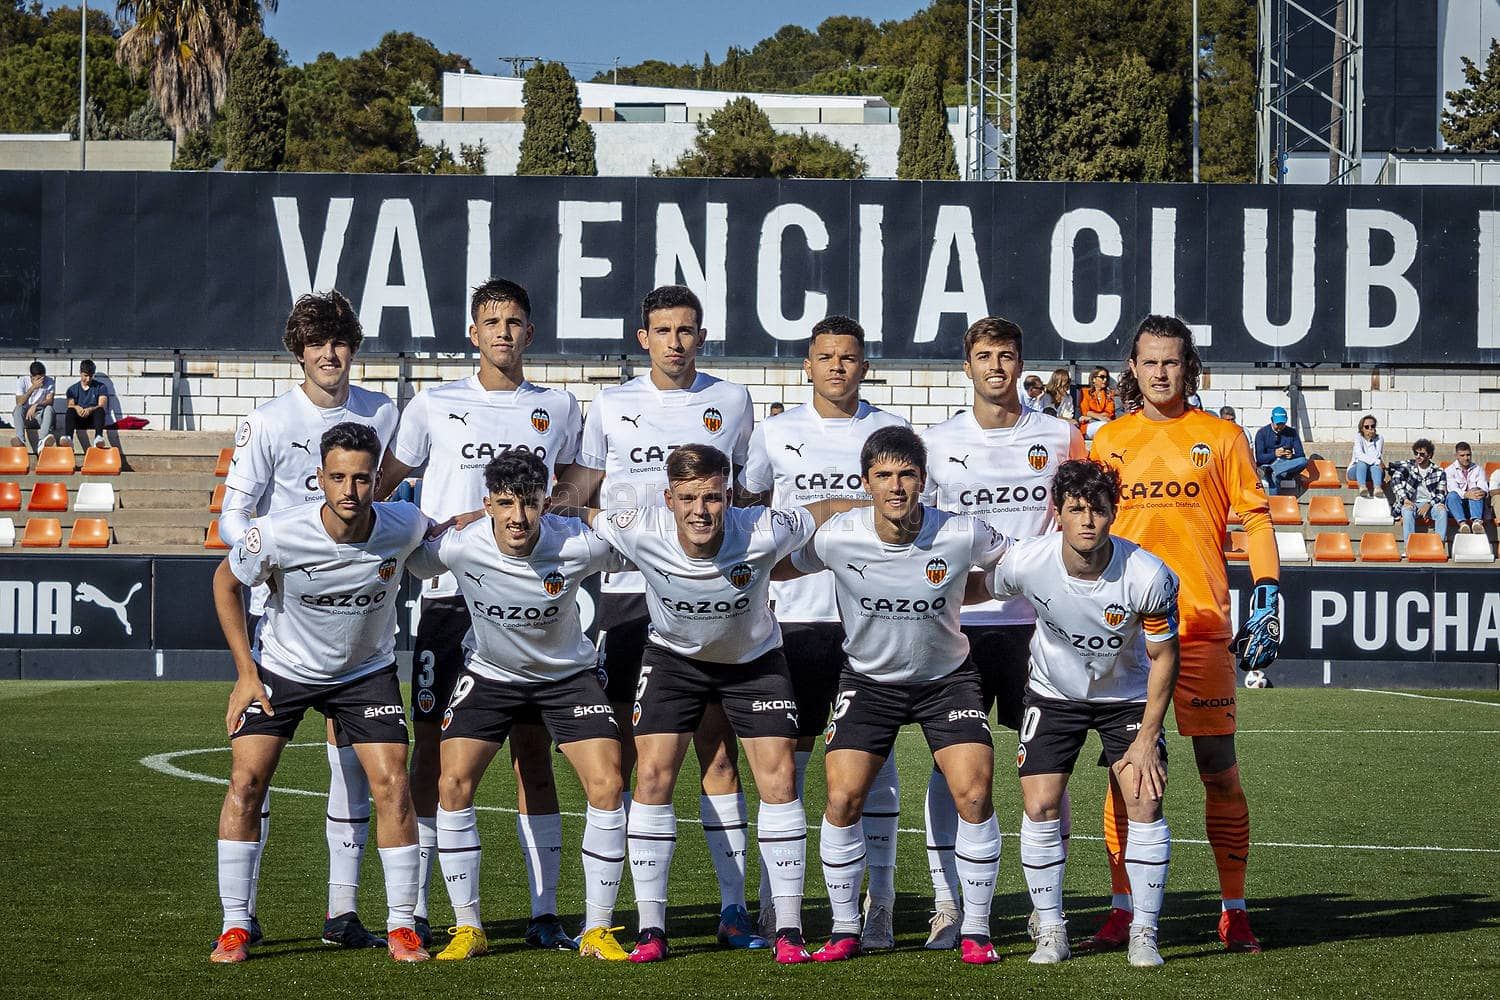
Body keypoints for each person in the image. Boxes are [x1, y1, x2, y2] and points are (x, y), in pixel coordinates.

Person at [375, 278, 584, 950]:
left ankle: (544, 910)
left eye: (514, 321)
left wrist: (558, 508)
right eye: (490, 321)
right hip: (448, 603)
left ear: (531, 332)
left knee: (533, 755)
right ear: (473, 332)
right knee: (433, 755)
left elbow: (578, 483)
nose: (502, 332)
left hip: (529, 605)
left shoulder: (559, 405)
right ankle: (422, 907)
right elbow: (382, 491)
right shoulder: (432, 403)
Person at [554, 285, 762, 948]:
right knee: (633, 760)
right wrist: (533, 510)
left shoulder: (731, 401)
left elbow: (750, 494)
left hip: (706, 596)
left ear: (702, 337)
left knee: (716, 752)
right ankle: (631, 916)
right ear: (643, 337)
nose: (676, 341)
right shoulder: (612, 403)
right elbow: (584, 486)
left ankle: (734, 911)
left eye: (687, 330)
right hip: (624, 596)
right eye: (663, 330)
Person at [783, 426, 1012, 966]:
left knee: (974, 794)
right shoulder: (837, 536)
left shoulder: (959, 532)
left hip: (947, 681)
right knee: (841, 799)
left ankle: (975, 928)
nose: (896, 486)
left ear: (923, 481)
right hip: (868, 682)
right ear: (866, 482)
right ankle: (846, 927)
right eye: (883, 475)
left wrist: (960, 591)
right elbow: (779, 568)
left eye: (907, 474)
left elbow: (1012, 569)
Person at [208, 423, 433, 965]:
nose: (350, 491)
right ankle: (237, 924)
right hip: (283, 669)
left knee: (394, 785)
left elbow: (445, 533)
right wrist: (245, 673)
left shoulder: (404, 525)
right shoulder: (279, 532)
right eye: (338, 478)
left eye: (361, 478)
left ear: (378, 480)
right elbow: (225, 582)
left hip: (365, 673)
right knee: (246, 782)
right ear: (319, 479)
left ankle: (402, 925)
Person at [583, 444, 817, 965]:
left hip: (754, 662)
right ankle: (651, 928)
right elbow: (581, 515)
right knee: (650, 779)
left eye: (712, 497)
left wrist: (877, 507)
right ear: (668, 498)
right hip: (673, 662)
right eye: (688, 498)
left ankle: (785, 928)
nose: (700, 511)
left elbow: (821, 513)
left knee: (778, 780)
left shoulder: (763, 526)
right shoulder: (639, 526)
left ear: (729, 496)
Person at [217, 290, 400, 950]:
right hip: (286, 621)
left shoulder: (383, 412)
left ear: (354, 346)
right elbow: (234, 514)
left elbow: (393, 502)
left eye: (340, 341)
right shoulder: (268, 420)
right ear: (298, 350)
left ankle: (342, 912)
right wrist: (270, 551)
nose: (329, 353)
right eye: (316, 342)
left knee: (354, 771)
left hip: (359, 622)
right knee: (253, 771)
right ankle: (239, 917)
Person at [1091, 315, 1280, 954]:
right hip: (1123, 633)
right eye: (1149, 362)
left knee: (1218, 770)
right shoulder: (1108, 441)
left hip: (1199, 626)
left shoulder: (1222, 438)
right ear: (1133, 368)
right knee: (1126, 772)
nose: (1161, 373)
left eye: (1172, 362)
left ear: (1188, 366)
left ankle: (1235, 909)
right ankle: (1122, 910)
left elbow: (1254, 517)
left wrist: (1268, 587)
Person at [403, 452, 629, 962]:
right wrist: (446, 524)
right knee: (452, 782)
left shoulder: (576, 543)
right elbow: (413, 558)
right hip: (489, 676)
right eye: (505, 504)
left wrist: (593, 514)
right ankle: (468, 928)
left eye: (528, 504)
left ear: (546, 503)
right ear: (487, 504)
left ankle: (596, 928)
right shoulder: (463, 546)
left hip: (566, 677)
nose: (517, 518)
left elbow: (640, 548)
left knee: (608, 782)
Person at [737, 314, 910, 948]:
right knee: (787, 764)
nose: (837, 366)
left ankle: (881, 904)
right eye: (825, 356)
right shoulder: (774, 433)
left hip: (870, 622)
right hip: (791, 619)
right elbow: (752, 520)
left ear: (865, 366)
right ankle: (776, 900)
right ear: (807, 366)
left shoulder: (890, 434)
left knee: (873, 763)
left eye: (849, 357)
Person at [918, 317, 1085, 950]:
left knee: (1047, 768)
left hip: (1040, 627)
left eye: (1006, 356)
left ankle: (1049, 909)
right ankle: (947, 904)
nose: (995, 366)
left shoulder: (1061, 435)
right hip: (959, 624)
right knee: (952, 769)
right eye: (984, 356)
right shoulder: (934, 443)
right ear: (967, 367)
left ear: (1021, 364)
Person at [984, 459, 1180, 968]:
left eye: (1097, 510)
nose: (1087, 521)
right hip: (1053, 693)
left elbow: (1165, 658)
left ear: (1114, 514)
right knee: (1040, 803)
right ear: (1058, 514)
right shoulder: (1027, 562)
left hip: (1127, 699)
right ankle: (1050, 929)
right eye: (1076, 510)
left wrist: (1147, 738)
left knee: (1144, 798)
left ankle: (1145, 930)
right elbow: (987, 590)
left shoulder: (1149, 575)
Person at [1389, 439, 1449, 542]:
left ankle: (1439, 545)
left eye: (1421, 454)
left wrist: (1429, 504)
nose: (1418, 456)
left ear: (1429, 455)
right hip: (1412, 503)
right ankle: (1409, 547)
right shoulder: (1409, 466)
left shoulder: (1439, 471)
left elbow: (1441, 494)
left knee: (1442, 511)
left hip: (1430, 504)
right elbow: (1395, 479)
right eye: (1416, 453)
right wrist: (1405, 499)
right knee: (1407, 511)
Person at [1252, 406, 1307, 494]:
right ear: (1272, 420)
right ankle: (1275, 506)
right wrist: (1274, 454)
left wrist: (1291, 456)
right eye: (1278, 424)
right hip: (1267, 466)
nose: (1280, 427)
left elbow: (1301, 454)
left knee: (1303, 461)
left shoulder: (1292, 432)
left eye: (1282, 424)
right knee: (1272, 477)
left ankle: (1276, 470)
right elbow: (1260, 458)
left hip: (1284, 464)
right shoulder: (1262, 433)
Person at [62, 359, 109, 451]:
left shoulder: (101, 387)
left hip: (93, 420)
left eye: (91, 376)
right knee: (70, 410)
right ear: (80, 373)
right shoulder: (72, 389)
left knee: (100, 410)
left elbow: (102, 404)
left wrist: (90, 409)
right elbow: (70, 405)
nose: (88, 379)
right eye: (85, 376)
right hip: (78, 420)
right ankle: (69, 438)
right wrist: (77, 407)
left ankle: (98, 437)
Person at [11, 361, 55, 453]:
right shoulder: (22, 381)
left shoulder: (50, 381)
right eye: (38, 378)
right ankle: (21, 441)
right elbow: (19, 402)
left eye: (43, 377)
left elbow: (50, 401)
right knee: (18, 409)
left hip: (41, 417)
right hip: (26, 417)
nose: (42, 381)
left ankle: (42, 442)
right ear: (31, 377)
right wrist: (32, 388)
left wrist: (36, 405)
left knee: (49, 408)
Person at [1444, 442, 1487, 534]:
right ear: (1456, 456)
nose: (1466, 458)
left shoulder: (1478, 469)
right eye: (1462, 455)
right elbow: (1452, 488)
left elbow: (1483, 485)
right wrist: (1467, 495)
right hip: (1457, 507)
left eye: (1468, 455)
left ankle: (1476, 523)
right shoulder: (1449, 470)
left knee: (1476, 490)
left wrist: (1481, 492)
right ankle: (1463, 524)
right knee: (1452, 495)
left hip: (1475, 505)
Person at [1348, 415, 1385, 498]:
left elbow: (1377, 455)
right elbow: (1359, 455)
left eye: (1372, 426)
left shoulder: (1379, 438)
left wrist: (1370, 440)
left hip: (1373, 473)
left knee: (1375, 466)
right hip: (1356, 470)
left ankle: (1377, 488)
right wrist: (1378, 462)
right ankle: (1362, 487)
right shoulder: (1358, 437)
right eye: (1366, 427)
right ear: (1362, 428)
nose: (1370, 429)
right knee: (1362, 462)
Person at [1077, 367, 1116, 441]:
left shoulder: (1109, 394)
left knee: (1106, 426)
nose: (1105, 380)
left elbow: (1109, 413)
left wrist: (1091, 417)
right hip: (1089, 426)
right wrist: (1099, 417)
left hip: (1104, 423)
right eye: (1102, 377)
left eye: (1106, 377)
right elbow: (1085, 412)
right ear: (1094, 379)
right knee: (1104, 425)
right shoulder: (1085, 392)